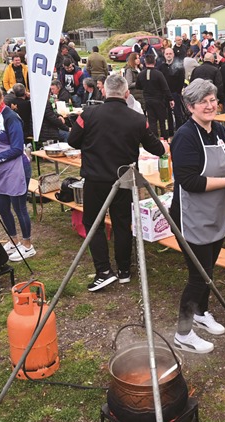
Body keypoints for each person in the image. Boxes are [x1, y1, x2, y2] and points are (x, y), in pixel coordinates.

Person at [170, 79, 225, 354]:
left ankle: (201, 313)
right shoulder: (185, 135)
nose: (209, 105)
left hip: (216, 212)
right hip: (190, 217)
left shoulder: (218, 130)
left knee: (208, 270)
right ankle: (183, 333)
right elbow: (189, 181)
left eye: (212, 100)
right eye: (202, 101)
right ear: (190, 106)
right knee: (198, 277)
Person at [67, 75, 167, 291]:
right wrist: (165, 147)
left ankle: (103, 270)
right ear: (126, 94)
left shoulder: (89, 114)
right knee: (122, 224)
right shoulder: (137, 119)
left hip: (96, 179)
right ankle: (123, 271)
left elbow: (72, 140)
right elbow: (156, 148)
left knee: (94, 224)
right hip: (124, 180)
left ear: (104, 91)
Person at [0, 83, 35, 262]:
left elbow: (18, 149)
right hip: (2, 168)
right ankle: (13, 240)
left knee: (19, 208)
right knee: (2, 206)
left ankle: (28, 245)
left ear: (1, 98)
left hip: (18, 167)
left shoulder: (11, 118)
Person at [136, 54, 173, 140]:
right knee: (163, 120)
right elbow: (165, 88)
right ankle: (165, 138)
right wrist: (170, 98)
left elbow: (138, 86)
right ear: (155, 62)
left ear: (145, 63)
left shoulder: (141, 74)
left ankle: (154, 139)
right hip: (159, 100)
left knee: (152, 121)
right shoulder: (158, 74)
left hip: (148, 100)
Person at [159, 47, 186, 136]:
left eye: (170, 54)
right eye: (167, 54)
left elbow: (181, 80)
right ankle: (169, 132)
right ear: (164, 55)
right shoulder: (161, 67)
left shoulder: (179, 67)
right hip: (165, 94)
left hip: (175, 93)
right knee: (167, 115)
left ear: (173, 54)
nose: (168, 55)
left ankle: (179, 132)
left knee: (178, 114)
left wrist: (177, 92)